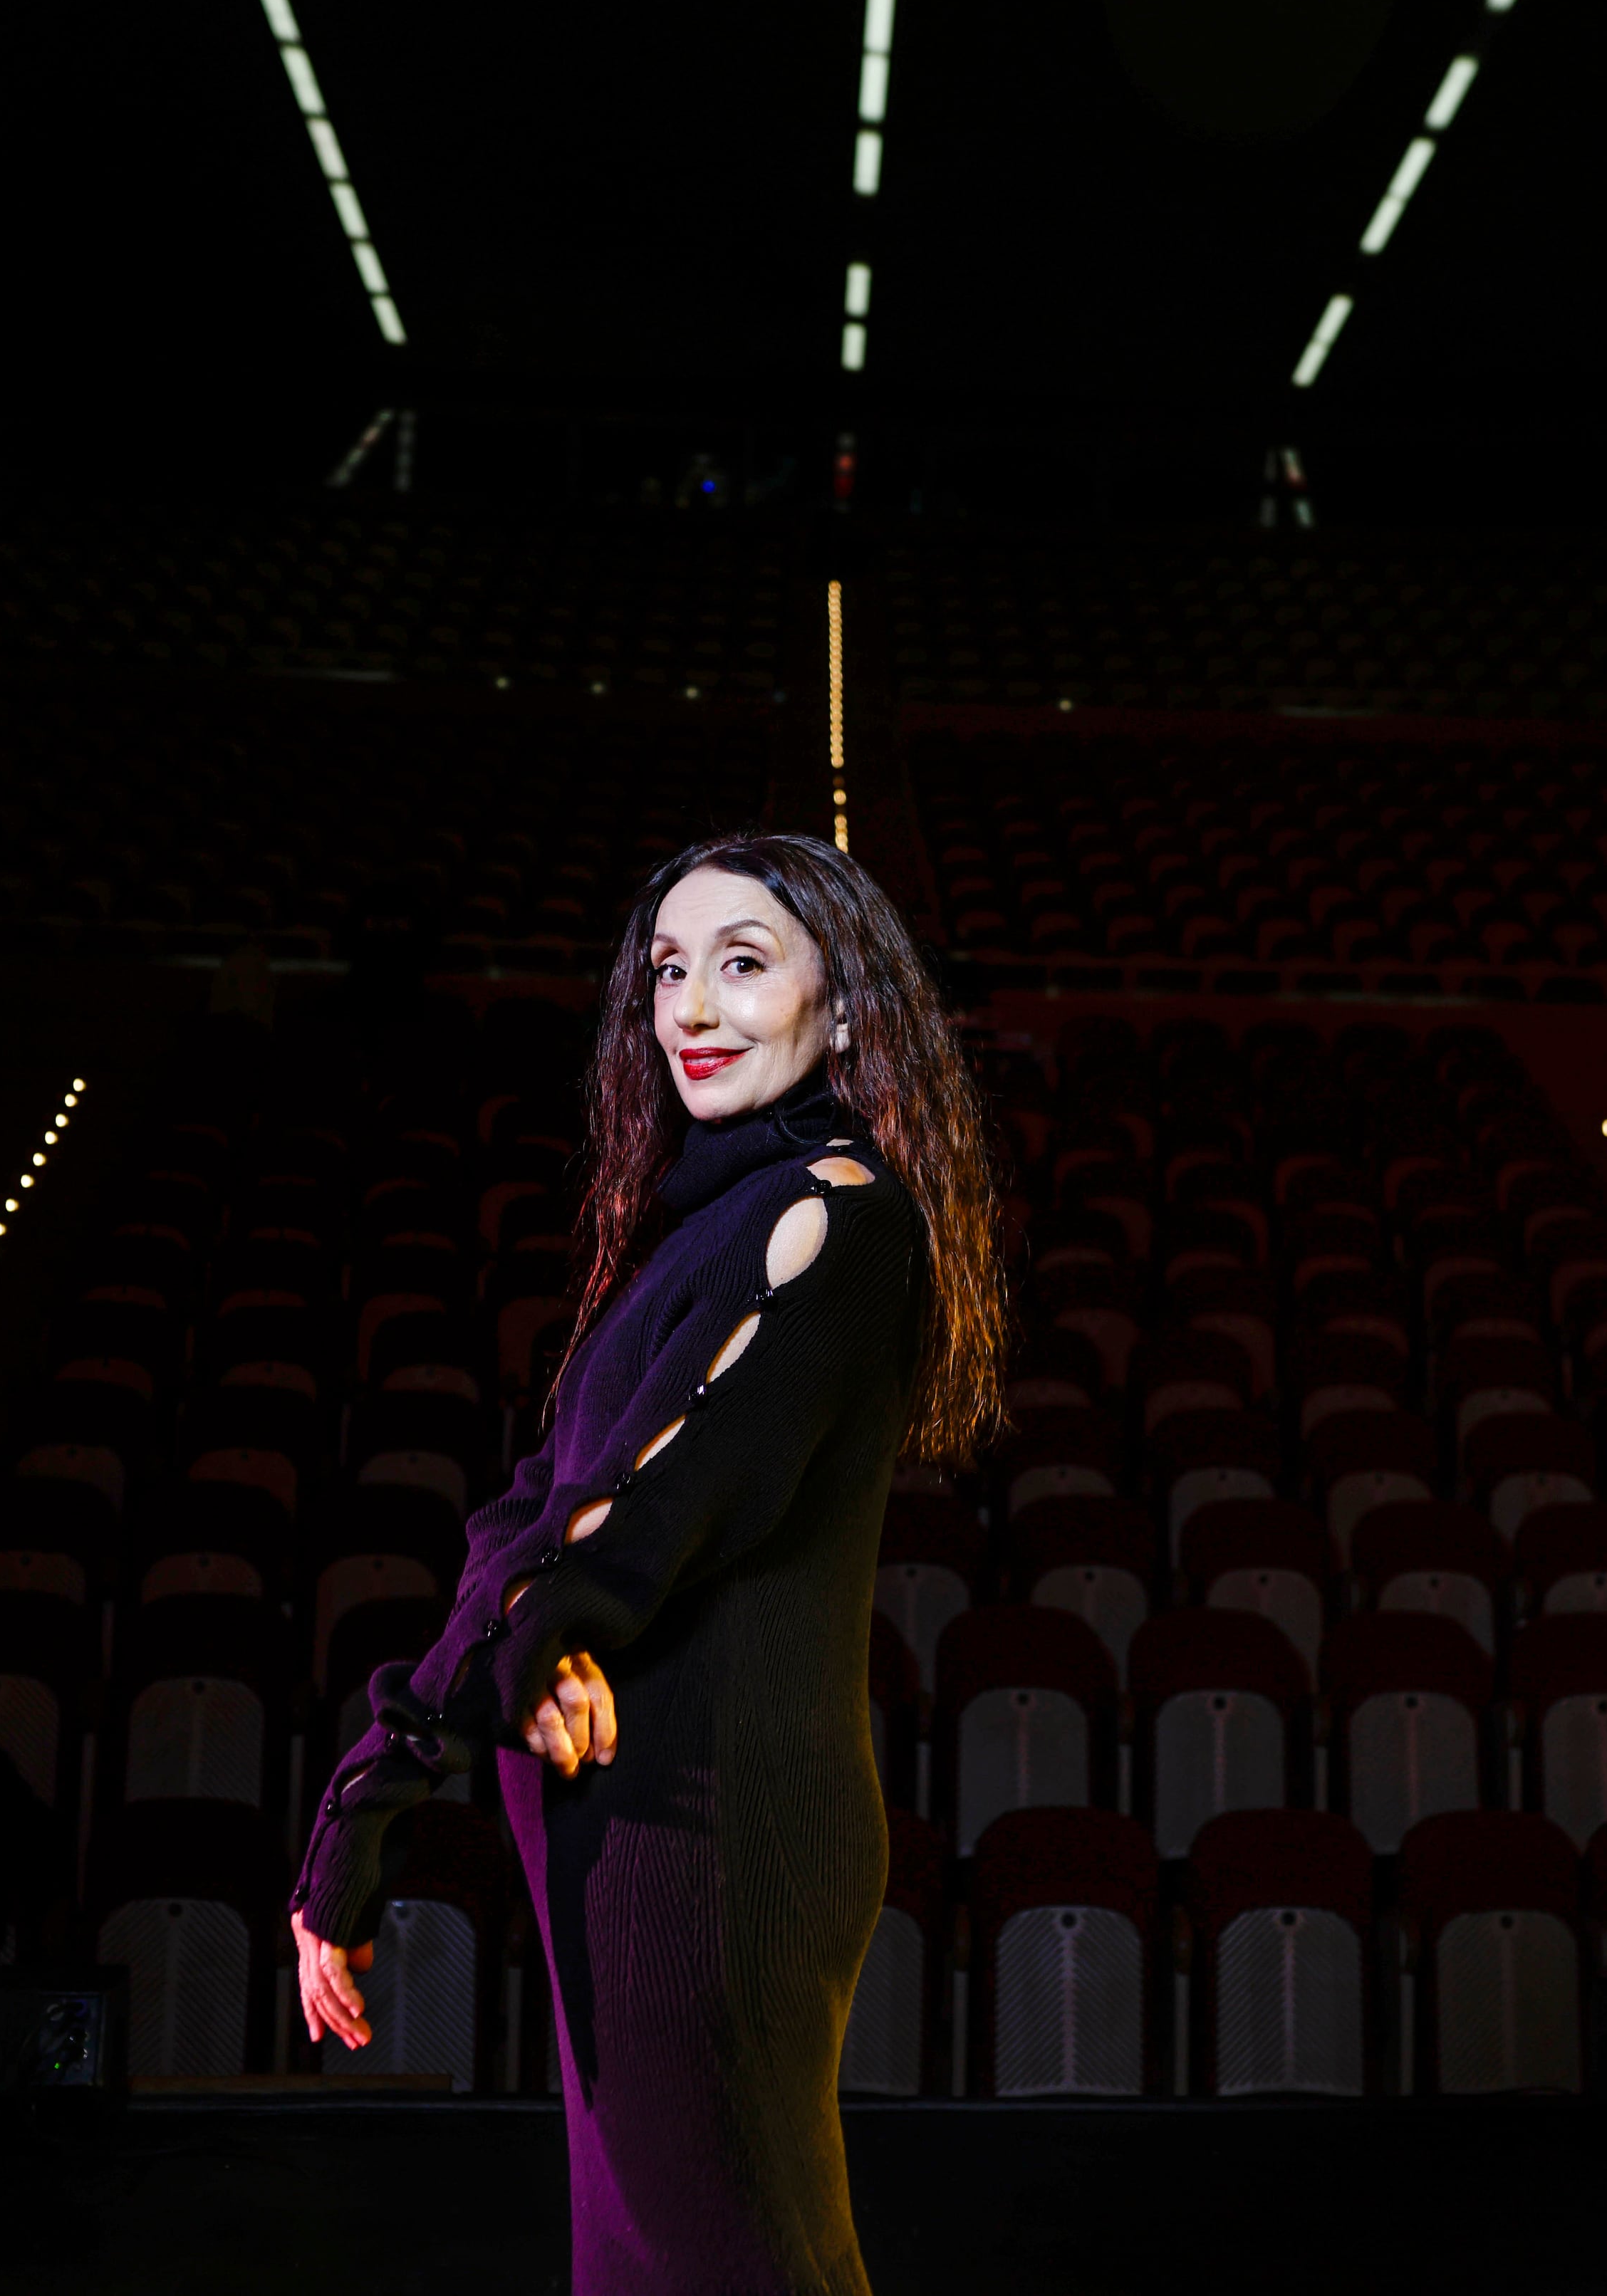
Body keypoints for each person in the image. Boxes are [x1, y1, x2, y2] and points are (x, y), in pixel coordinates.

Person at [292, 831, 1004, 2296]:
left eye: (743, 963)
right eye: (669, 969)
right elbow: (533, 1517)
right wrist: (370, 1797)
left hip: (707, 1825)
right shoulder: (709, 1224)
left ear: (848, 1002)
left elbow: (637, 1511)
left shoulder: (830, 1216)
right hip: (629, 1823)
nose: (691, 1004)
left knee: (723, 2265)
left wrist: (545, 1627)